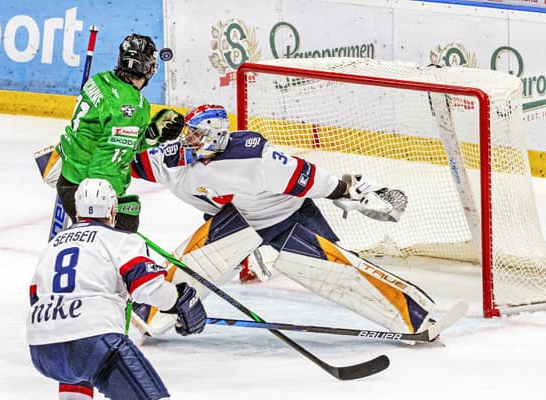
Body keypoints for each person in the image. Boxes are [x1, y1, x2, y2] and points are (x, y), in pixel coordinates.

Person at [130, 104, 434, 336]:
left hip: (289, 217)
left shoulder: (255, 155)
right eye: (189, 133)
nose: (189, 140)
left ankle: (418, 318)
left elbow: (307, 175)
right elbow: (126, 165)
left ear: (215, 134)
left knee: (342, 274)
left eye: (196, 134)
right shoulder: (172, 159)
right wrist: (145, 137)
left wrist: (347, 190)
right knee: (193, 264)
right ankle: (150, 312)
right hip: (236, 223)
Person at [27, 178, 206, 400]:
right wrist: (179, 300)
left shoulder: (53, 245)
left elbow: (35, 296)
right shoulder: (121, 240)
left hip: (43, 348)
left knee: (80, 366)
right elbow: (148, 288)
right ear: (113, 211)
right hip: (94, 340)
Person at [55, 34, 184, 233]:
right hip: (89, 192)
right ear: (149, 69)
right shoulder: (132, 106)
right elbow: (106, 164)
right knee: (117, 248)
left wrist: (150, 135)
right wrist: (98, 214)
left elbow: (108, 138)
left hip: (70, 177)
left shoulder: (100, 80)